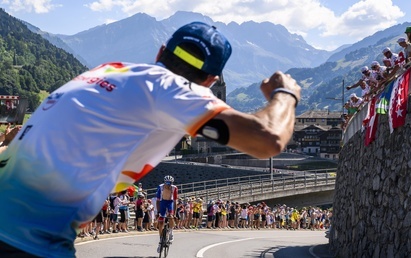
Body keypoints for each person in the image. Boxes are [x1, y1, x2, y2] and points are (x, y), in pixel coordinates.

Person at [0, 21, 300, 258]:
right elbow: (268, 140)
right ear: (210, 82)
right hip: (26, 238)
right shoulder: (174, 90)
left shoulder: (109, 69)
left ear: (159, 53)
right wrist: (284, 94)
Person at [156, 175, 177, 252]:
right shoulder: (160, 187)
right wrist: (158, 212)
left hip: (170, 202)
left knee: (170, 216)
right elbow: (158, 201)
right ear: (164, 182)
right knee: (161, 221)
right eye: (167, 183)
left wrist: (174, 213)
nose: (168, 184)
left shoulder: (174, 188)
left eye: (170, 183)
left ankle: (171, 231)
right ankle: (161, 240)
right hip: (162, 202)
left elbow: (175, 201)